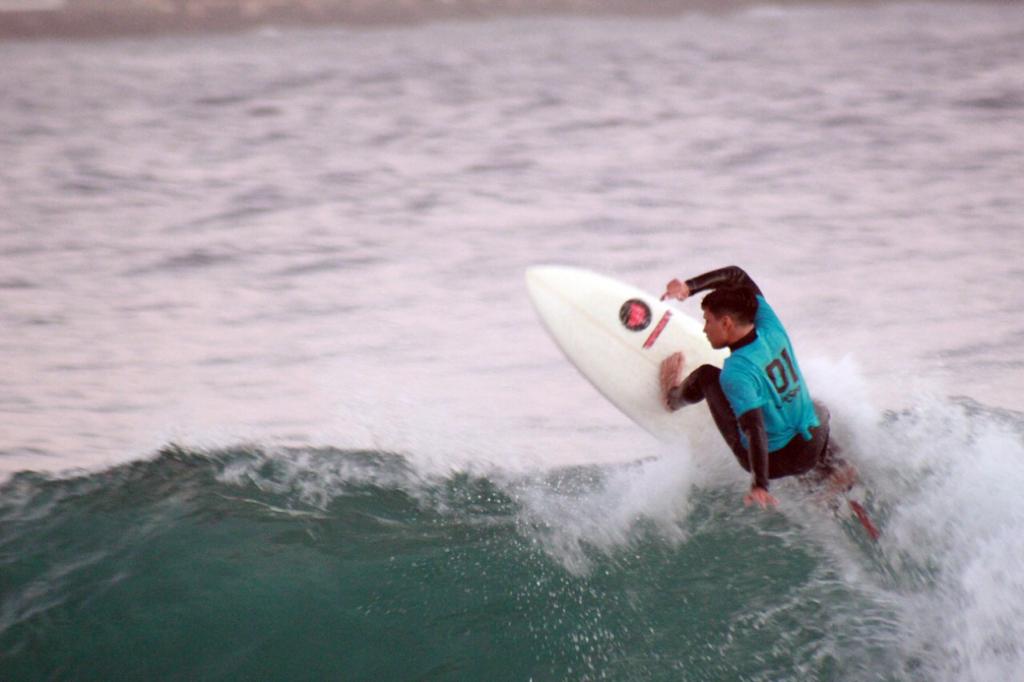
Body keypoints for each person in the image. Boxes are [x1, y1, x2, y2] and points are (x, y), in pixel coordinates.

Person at [659, 266, 853, 509]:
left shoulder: (736, 373)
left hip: (779, 461)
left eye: (708, 320)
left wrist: (759, 483)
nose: (704, 328)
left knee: (707, 375)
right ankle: (836, 469)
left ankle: (671, 397)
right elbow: (736, 275)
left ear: (727, 323)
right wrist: (689, 287)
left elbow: (754, 428)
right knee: (812, 407)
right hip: (817, 435)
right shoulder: (770, 324)